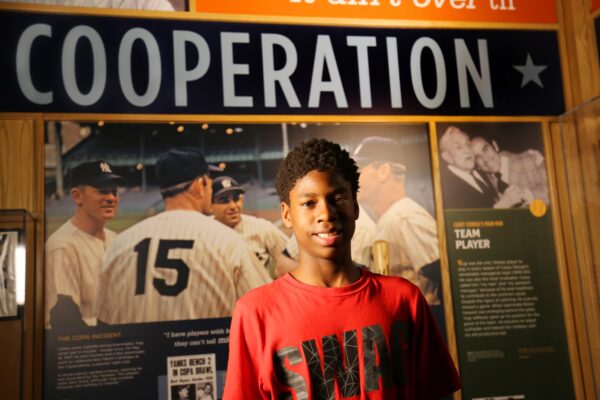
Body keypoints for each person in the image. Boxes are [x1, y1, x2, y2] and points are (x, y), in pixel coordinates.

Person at [223, 139, 461, 399]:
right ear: (287, 214)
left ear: (356, 206)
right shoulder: (255, 312)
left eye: (338, 197)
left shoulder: (404, 299)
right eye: (308, 203)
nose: (326, 213)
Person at [95, 147, 271, 324]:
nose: (211, 186)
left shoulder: (119, 244)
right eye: (209, 180)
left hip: (139, 350)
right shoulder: (228, 241)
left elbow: (103, 322)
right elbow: (263, 309)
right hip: (209, 350)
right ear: (198, 185)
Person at [353, 136, 441, 304]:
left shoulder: (405, 217)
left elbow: (442, 274)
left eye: (359, 169)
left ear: (384, 171)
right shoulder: (392, 216)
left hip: (418, 324)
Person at [45, 160, 123, 328]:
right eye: (102, 191)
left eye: (114, 191)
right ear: (77, 196)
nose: (111, 198)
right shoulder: (62, 247)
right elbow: (64, 321)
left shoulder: (115, 240)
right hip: (87, 348)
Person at [210, 176, 287, 273]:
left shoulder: (262, 228)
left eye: (236, 199)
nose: (233, 206)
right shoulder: (202, 233)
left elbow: (294, 257)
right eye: (224, 201)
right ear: (210, 205)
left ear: (241, 200)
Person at [275, 203, 375, 276]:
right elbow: (281, 266)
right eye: (309, 202)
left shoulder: (362, 229)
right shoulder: (308, 221)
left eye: (337, 198)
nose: (325, 215)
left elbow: (348, 280)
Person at [439, 126, 526, 209]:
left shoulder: (478, 170)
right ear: (447, 157)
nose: (467, 150)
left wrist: (524, 156)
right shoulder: (446, 190)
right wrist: (503, 205)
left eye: (468, 145)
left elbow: (494, 158)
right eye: (458, 147)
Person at [470, 136, 549, 205]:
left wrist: (528, 195)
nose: (485, 159)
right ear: (477, 166)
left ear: (495, 145)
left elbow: (554, 188)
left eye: (486, 149)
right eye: (478, 157)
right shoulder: (485, 182)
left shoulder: (530, 160)